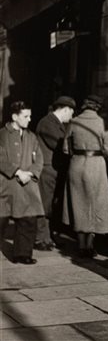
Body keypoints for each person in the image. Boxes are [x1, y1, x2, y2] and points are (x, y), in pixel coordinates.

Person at [62, 95, 108, 258]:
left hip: (76, 164)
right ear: (98, 107)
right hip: (96, 164)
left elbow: (65, 148)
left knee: (78, 203)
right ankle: (89, 245)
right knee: (95, 203)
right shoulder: (102, 123)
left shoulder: (73, 122)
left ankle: (80, 243)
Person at [0, 101, 44, 264]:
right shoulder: (2, 135)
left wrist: (31, 173)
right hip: (6, 185)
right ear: (14, 117)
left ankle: (23, 254)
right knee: (1, 219)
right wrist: (17, 172)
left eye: (30, 116)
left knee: (28, 220)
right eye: (26, 116)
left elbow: (39, 158)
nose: (29, 119)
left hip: (27, 186)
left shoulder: (31, 137)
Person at [35, 96, 76, 251]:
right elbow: (59, 143)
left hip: (55, 170)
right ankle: (41, 238)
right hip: (47, 169)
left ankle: (49, 237)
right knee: (45, 205)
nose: (71, 116)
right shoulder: (47, 123)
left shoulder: (56, 123)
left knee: (52, 205)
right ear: (65, 109)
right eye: (71, 112)